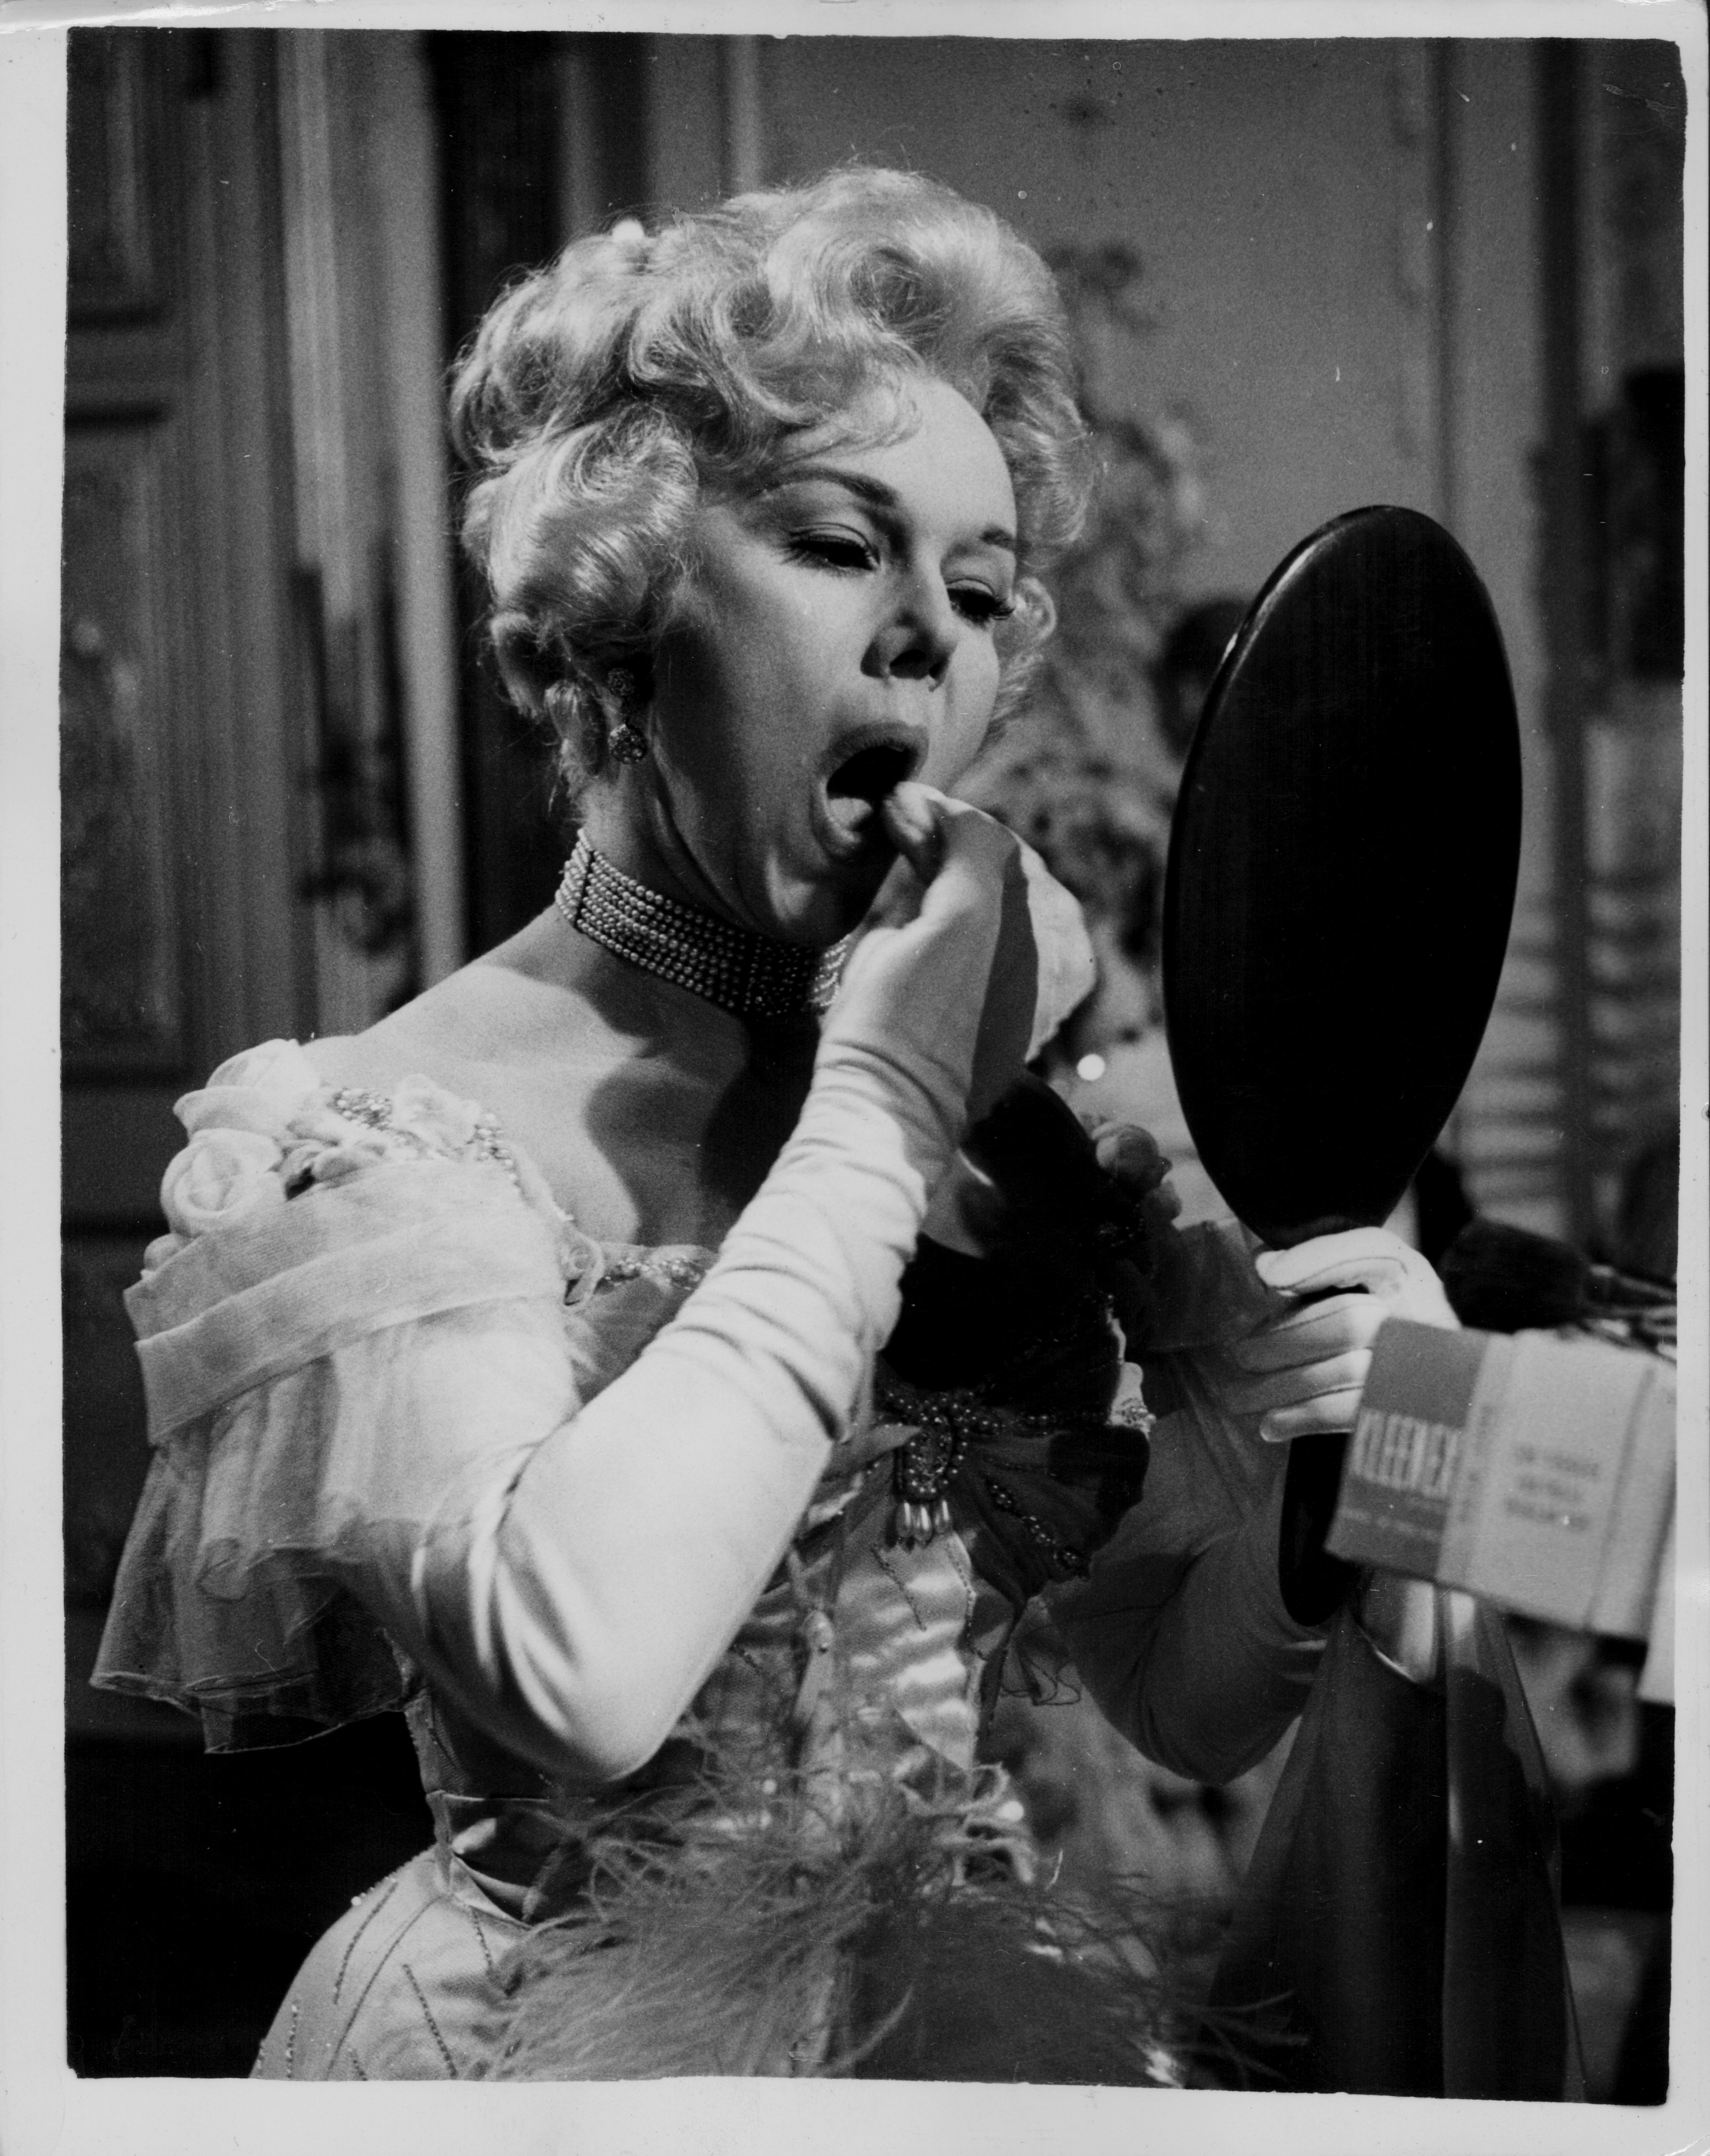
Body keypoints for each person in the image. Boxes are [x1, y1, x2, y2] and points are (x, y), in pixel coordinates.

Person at [92, 168, 1457, 2082]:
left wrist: (1321, 1481)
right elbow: (575, 1674)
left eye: (980, 594)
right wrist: (882, 1104)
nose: (929, 640)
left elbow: (1172, 1691)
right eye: (839, 546)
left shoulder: (1015, 1133)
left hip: (957, 2041)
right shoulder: (387, 1137)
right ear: (625, 610)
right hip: (533, 2065)